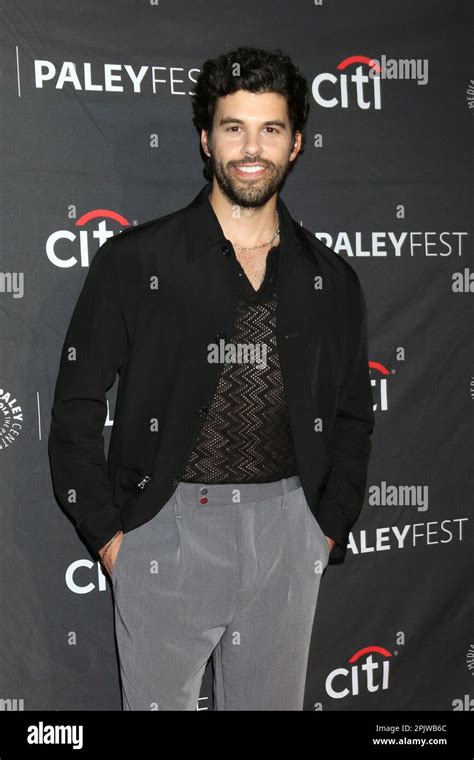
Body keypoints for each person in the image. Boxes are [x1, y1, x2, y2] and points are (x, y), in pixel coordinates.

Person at [48, 46, 375, 711]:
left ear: (297, 144)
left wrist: (326, 528)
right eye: (234, 127)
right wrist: (116, 543)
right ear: (206, 139)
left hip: (288, 533)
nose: (251, 147)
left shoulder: (331, 279)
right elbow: (76, 411)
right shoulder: (135, 261)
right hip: (165, 534)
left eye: (270, 128)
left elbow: (352, 417)